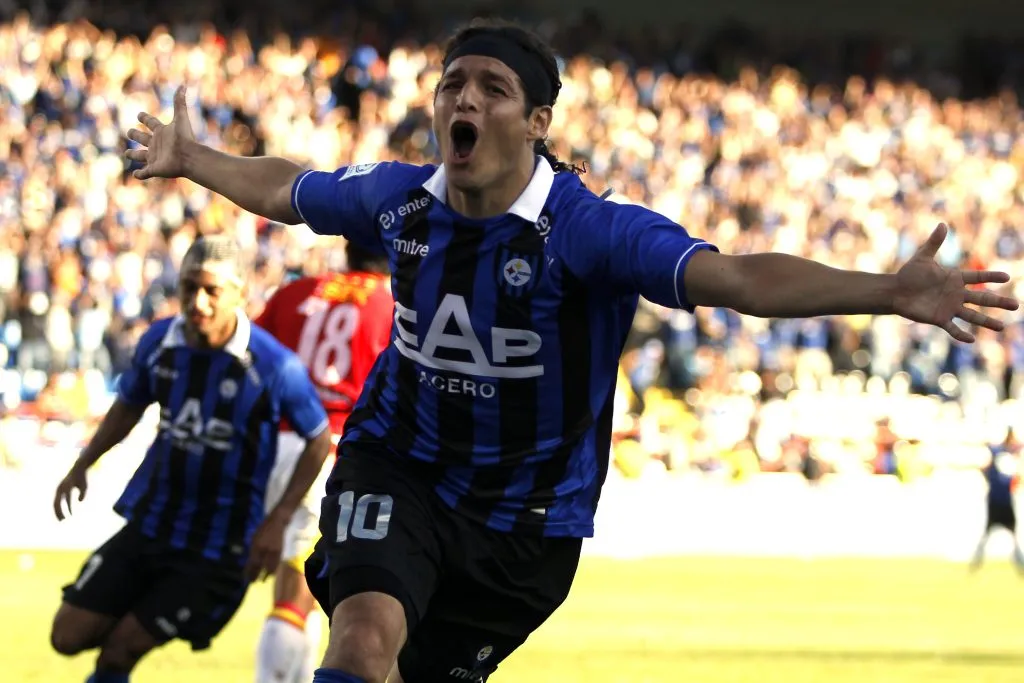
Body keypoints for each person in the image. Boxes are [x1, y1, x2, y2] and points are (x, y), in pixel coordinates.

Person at [124, 18, 1019, 683]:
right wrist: (193, 157)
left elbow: (741, 281)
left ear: (539, 121)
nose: (463, 100)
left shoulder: (588, 233)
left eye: (491, 89)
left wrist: (890, 292)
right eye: (451, 85)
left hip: (524, 525)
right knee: (360, 641)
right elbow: (289, 188)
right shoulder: (398, 200)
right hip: (397, 464)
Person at [49, 236, 333, 683]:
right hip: (151, 526)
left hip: (217, 550)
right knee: (66, 636)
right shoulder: (160, 342)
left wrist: (277, 520)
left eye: (211, 291)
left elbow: (317, 440)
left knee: (118, 652)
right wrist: (84, 462)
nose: (197, 302)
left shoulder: (274, 365)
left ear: (239, 293)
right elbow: (129, 404)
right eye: (188, 288)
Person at [253, 242, 393, 683]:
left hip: (276, 443)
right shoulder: (392, 309)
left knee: (311, 583)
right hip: (331, 452)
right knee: (298, 589)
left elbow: (253, 358)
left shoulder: (296, 293)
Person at [970, 427, 1024, 572]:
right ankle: (1020, 565)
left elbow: (984, 468)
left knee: (993, 534)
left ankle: (976, 563)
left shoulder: (1000, 453)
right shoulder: (1008, 454)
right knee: (1009, 534)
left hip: (997, 500)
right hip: (1002, 501)